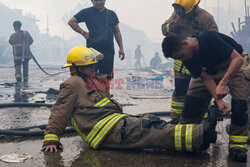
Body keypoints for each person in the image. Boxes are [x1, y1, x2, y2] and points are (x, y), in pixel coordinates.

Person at [41, 46, 218, 154]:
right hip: (106, 132)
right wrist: (51, 138)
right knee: (152, 130)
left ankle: (200, 133)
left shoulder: (90, 81)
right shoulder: (72, 84)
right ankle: (201, 136)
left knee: (151, 122)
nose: (94, 67)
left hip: (115, 124)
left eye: (94, 64)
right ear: (77, 68)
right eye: (89, 65)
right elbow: (59, 111)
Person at [161, 30, 250, 162]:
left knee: (240, 105)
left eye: (181, 56)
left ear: (185, 43)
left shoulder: (208, 38)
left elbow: (237, 59)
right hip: (209, 70)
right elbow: (206, 79)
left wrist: (223, 83)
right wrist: (219, 101)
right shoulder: (186, 57)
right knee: (192, 103)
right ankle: (195, 137)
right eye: (178, 58)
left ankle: (237, 146)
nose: (182, 60)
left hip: (234, 64)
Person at [161, 0, 218, 124]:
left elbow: (214, 38)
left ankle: (204, 121)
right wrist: (174, 25)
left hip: (199, 62)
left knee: (202, 92)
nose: (181, 15)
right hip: (181, 63)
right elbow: (164, 30)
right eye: (178, 12)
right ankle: (176, 119)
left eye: (183, 12)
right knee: (179, 92)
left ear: (193, 8)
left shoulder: (206, 18)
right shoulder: (177, 15)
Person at [68, 0, 125, 77]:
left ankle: (104, 89)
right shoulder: (87, 12)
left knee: (106, 77)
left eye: (101, 0)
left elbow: (117, 32)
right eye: (96, 0)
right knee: (90, 76)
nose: (99, 2)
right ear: (92, 1)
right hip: (92, 51)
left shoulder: (112, 14)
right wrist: (84, 33)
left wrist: (121, 48)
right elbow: (71, 22)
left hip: (108, 51)